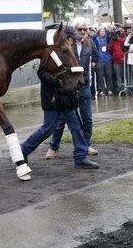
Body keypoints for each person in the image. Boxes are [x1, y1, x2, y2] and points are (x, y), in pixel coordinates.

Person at [21, 32, 99, 169]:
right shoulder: (51, 52)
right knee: (48, 128)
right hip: (53, 97)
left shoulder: (69, 50)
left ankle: (80, 157)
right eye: (71, 38)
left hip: (68, 96)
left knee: (76, 126)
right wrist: (55, 80)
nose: (73, 40)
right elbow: (41, 73)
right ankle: (23, 150)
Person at [46, 17, 99, 159]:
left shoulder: (90, 44)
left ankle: (86, 145)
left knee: (87, 118)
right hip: (69, 86)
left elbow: (96, 58)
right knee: (62, 119)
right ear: (74, 30)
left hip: (84, 84)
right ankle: (53, 146)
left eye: (85, 29)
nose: (82, 32)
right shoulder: (67, 45)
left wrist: (91, 69)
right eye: (79, 29)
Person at [93, 26, 114, 96]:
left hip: (107, 58)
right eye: (101, 31)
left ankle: (110, 89)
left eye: (104, 31)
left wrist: (107, 27)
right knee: (100, 75)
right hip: (99, 59)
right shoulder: (95, 38)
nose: (102, 32)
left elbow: (110, 32)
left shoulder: (108, 38)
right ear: (99, 32)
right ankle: (101, 90)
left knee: (109, 74)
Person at [108, 27, 127, 93]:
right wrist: (111, 40)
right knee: (118, 75)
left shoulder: (121, 40)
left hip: (124, 60)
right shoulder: (111, 41)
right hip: (116, 61)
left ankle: (126, 89)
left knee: (125, 75)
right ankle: (120, 89)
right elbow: (109, 49)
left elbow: (125, 49)